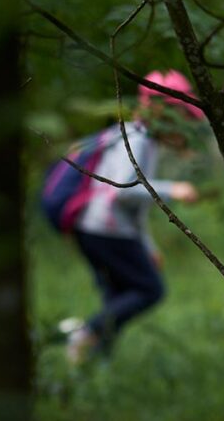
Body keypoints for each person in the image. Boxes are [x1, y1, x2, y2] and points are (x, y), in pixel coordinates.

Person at [63, 70, 204, 364]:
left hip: (98, 228)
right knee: (150, 289)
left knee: (117, 298)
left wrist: (148, 246)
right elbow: (123, 191)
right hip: (104, 229)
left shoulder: (140, 138)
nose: (183, 129)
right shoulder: (138, 138)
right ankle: (83, 334)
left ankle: (97, 363)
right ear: (165, 113)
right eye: (181, 118)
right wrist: (173, 189)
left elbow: (134, 206)